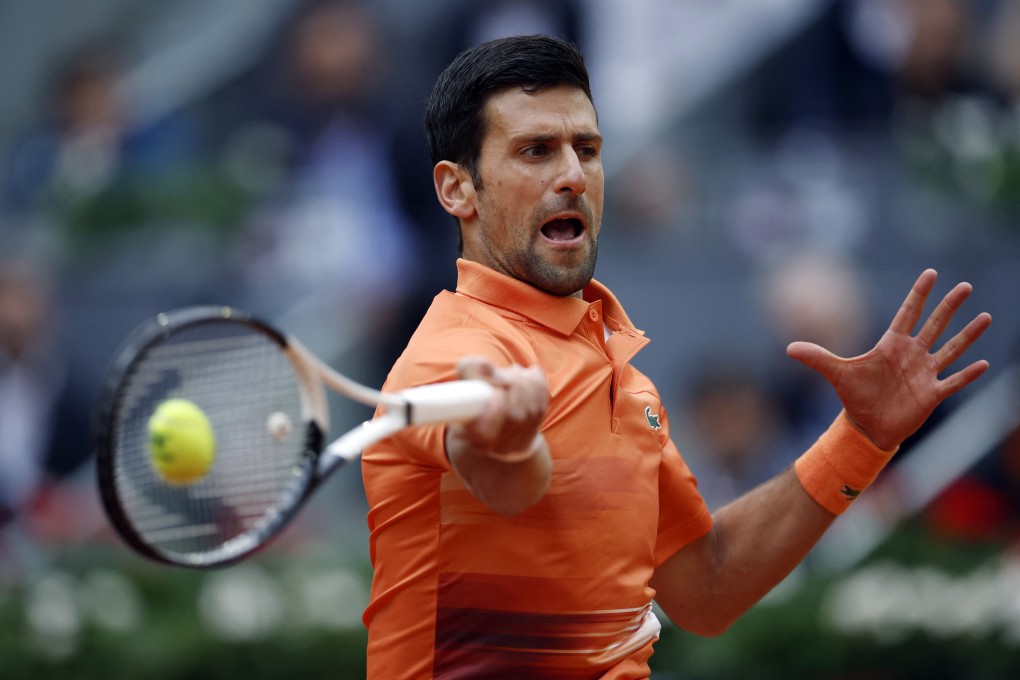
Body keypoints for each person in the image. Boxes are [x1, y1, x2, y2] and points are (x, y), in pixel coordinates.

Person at [360, 35, 992, 679]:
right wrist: (513, 442)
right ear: (456, 190)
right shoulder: (451, 358)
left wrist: (861, 438)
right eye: (535, 151)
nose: (573, 175)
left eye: (588, 149)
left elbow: (706, 586)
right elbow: (500, 475)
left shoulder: (623, 380)